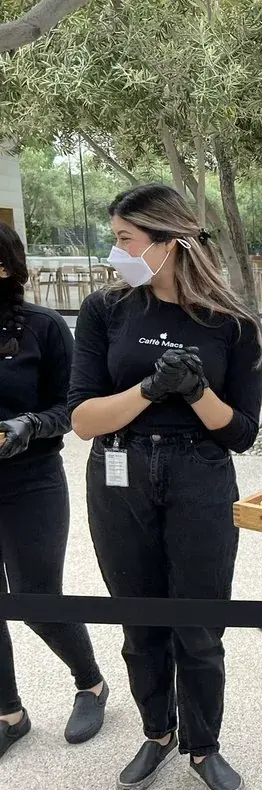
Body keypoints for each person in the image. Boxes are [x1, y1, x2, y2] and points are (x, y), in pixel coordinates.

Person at [68, 184, 262, 790]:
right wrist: (151, 389)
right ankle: (158, 732)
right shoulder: (106, 312)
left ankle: (203, 744)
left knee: (200, 626)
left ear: (168, 243)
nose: (115, 250)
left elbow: (242, 433)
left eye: (125, 238)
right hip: (120, 470)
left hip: (201, 474)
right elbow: (82, 418)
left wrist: (197, 391)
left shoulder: (232, 324)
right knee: (140, 621)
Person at [0, 223, 108, 760]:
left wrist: (27, 426)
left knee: (36, 598)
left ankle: (90, 683)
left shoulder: (43, 327)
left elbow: (74, 408)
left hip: (30, 481)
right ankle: (9, 713)